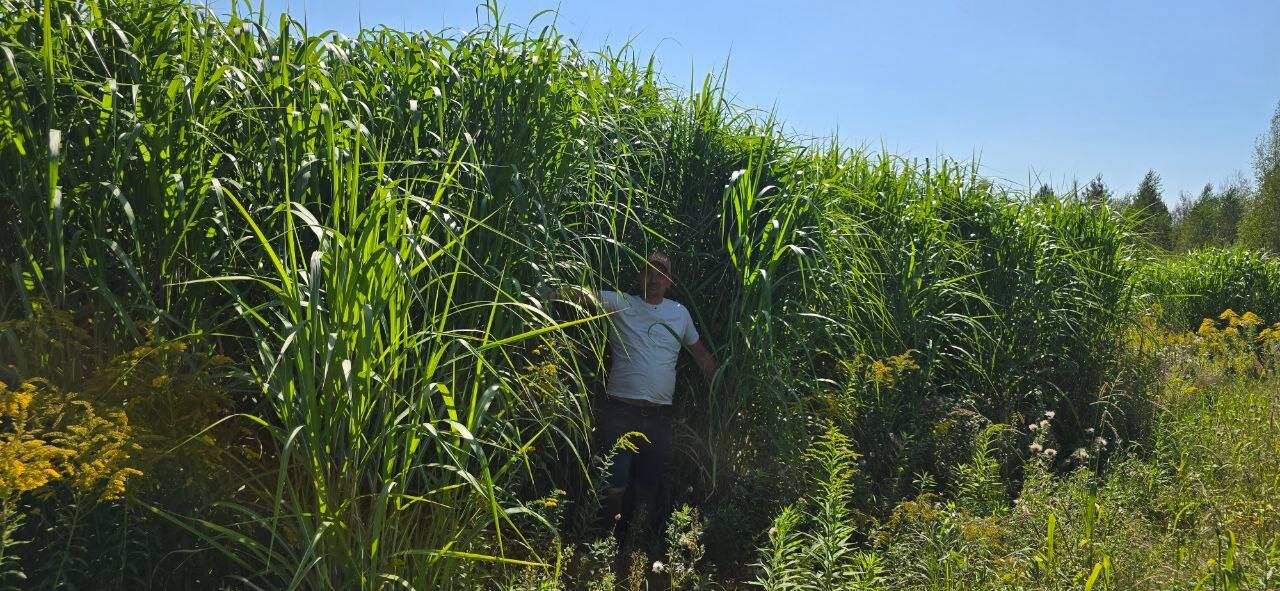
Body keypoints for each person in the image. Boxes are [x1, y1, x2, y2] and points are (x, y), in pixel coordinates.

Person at [582, 252, 719, 537]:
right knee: (614, 483)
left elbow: (701, 356)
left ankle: (639, 547)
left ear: (669, 281)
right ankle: (608, 542)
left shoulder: (679, 313)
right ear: (638, 277)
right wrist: (544, 292)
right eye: (647, 272)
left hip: (658, 417)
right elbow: (584, 295)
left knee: (649, 484)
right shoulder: (621, 303)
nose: (654, 278)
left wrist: (721, 387)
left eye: (660, 274)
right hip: (621, 411)